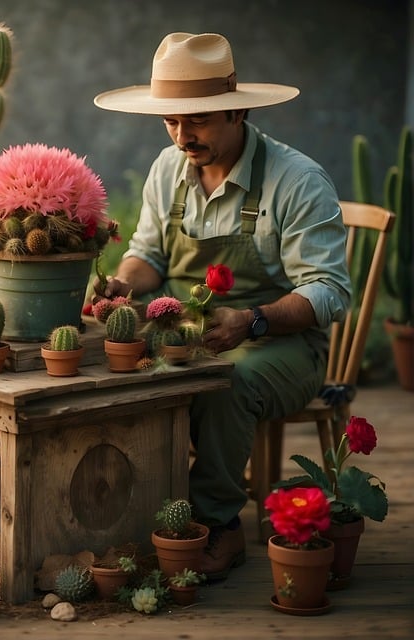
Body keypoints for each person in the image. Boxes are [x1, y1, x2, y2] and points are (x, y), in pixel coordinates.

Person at [93, 32, 351, 580]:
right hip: (186, 331)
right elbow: (148, 255)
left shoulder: (297, 180)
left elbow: (329, 290)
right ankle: (132, 514)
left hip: (277, 345)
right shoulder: (169, 168)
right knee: (103, 364)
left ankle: (218, 525)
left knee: (225, 384)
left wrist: (253, 319)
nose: (182, 136)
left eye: (199, 121)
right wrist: (123, 285)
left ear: (238, 111)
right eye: (172, 121)